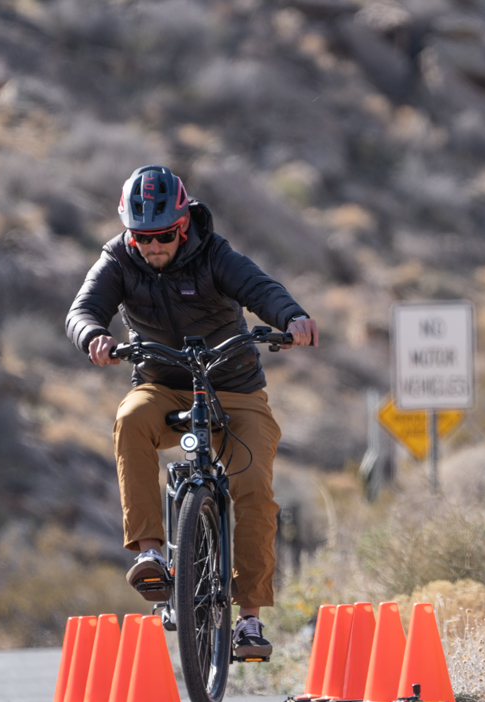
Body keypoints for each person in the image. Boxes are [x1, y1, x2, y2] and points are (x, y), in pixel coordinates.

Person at [65, 165, 317, 659]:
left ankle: (248, 619)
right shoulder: (118, 259)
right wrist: (93, 335)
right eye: (142, 238)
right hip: (162, 383)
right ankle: (152, 554)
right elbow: (82, 309)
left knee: (251, 484)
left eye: (163, 236)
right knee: (130, 419)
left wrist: (292, 317)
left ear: (184, 226)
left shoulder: (214, 254)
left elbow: (260, 288)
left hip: (234, 388)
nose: (153, 247)